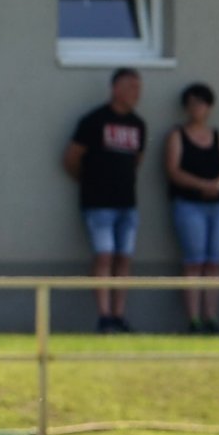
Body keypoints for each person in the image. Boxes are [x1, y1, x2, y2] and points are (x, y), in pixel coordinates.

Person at [64, 68, 146, 333]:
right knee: (104, 256)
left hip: (127, 204)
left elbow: (137, 161)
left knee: (124, 258)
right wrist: (90, 182)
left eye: (138, 88)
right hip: (98, 204)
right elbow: (71, 158)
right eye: (131, 87)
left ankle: (119, 315)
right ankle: (104, 316)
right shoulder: (94, 120)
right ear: (115, 89)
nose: (136, 93)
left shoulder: (138, 124)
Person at [162, 83, 219, 334]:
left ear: (209, 107)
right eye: (193, 103)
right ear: (186, 107)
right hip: (189, 206)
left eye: (202, 103)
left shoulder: (218, 136)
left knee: (214, 263)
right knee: (194, 261)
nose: (197, 108)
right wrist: (202, 185)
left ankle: (211, 318)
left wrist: (218, 184)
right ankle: (194, 320)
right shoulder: (177, 135)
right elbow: (173, 170)